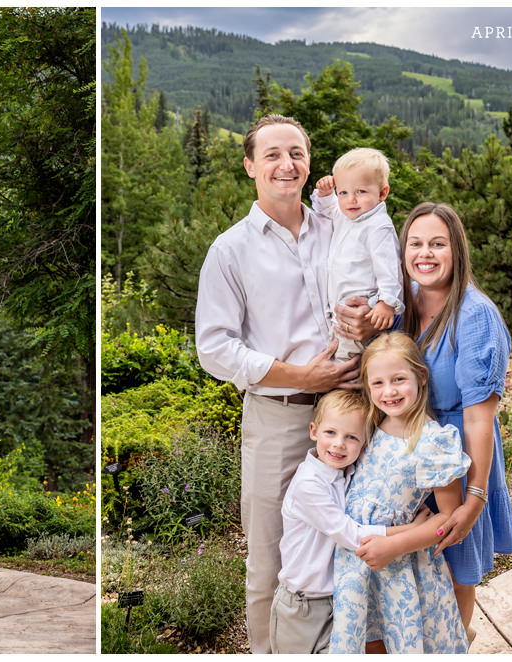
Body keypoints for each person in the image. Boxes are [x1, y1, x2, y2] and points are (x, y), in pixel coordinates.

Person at [194, 113, 373, 653]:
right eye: (271, 154)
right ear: (250, 166)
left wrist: (369, 320)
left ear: (309, 163)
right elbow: (215, 348)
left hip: (357, 413)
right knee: (271, 559)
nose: (285, 163)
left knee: (356, 543)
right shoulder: (230, 250)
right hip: (279, 417)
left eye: (295, 152)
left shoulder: (342, 229)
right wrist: (300, 374)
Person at [398, 202, 512, 634]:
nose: (424, 253)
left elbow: (478, 420)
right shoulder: (404, 303)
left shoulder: (474, 315)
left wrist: (475, 498)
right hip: (409, 452)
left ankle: (457, 641)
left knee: (454, 569)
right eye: (415, 243)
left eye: (437, 243)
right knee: (414, 570)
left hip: (459, 454)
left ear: (457, 250)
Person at [329, 332, 470, 653]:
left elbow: (449, 518)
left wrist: (393, 546)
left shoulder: (433, 441)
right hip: (356, 561)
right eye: (377, 383)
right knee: (366, 639)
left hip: (400, 564)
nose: (389, 391)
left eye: (398, 379)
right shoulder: (368, 425)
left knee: (401, 641)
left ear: (420, 377)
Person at [270, 389, 431, 654]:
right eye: (330, 433)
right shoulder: (309, 485)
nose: (338, 444)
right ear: (313, 431)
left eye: (351, 437)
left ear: (364, 445)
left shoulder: (348, 474)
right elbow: (351, 534)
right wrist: (413, 531)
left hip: (339, 599)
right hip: (302, 607)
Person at [310, 147, 403, 363]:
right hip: (339, 311)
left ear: (382, 193)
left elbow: (389, 269)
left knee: (351, 361)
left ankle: (351, 392)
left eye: (361, 192)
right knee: (337, 354)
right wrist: (325, 194)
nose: (351, 200)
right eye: (343, 192)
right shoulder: (346, 215)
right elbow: (327, 210)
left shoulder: (378, 226)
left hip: (361, 307)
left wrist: (386, 303)